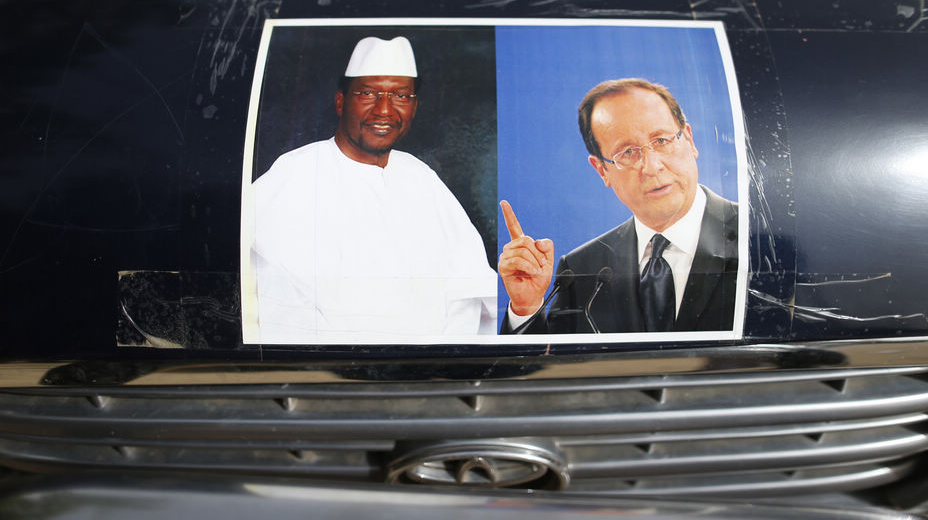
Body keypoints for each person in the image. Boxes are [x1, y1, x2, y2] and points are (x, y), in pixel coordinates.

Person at [250, 36, 497, 343]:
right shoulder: (295, 174)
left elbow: (469, 293)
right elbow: (268, 300)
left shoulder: (421, 178)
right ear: (341, 101)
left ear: (414, 107)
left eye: (401, 96)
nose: (384, 110)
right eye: (368, 93)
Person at [499, 78, 738, 334]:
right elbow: (550, 367)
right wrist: (527, 308)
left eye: (661, 141)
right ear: (601, 170)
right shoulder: (582, 269)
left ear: (689, 140)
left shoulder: (759, 237)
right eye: (627, 152)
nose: (651, 166)